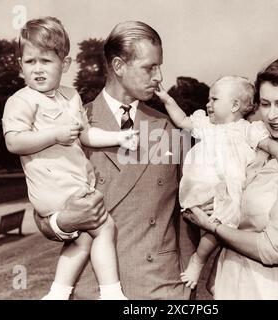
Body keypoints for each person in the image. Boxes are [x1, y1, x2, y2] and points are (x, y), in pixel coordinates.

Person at [33, 21, 199, 299]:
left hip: (161, 287)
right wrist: (63, 221)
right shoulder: (71, 126)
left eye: (159, 66)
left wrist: (185, 285)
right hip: (93, 287)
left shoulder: (170, 128)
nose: (158, 76)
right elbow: (43, 205)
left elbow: (186, 213)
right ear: (119, 66)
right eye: (150, 67)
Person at [2, 17, 139, 300]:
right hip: (54, 188)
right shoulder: (21, 100)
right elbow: (14, 141)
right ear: (20, 66)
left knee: (85, 239)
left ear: (64, 65)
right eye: (30, 62)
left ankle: (57, 294)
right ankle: (112, 293)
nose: (37, 69)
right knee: (105, 227)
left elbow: (85, 135)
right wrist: (54, 135)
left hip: (74, 185)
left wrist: (118, 137)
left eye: (46, 61)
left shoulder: (70, 96)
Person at [182, 57, 278, 299]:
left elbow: (272, 249)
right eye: (265, 104)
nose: (272, 115)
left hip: (266, 288)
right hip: (228, 282)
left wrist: (211, 225)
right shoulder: (259, 150)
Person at [155, 76, 278, 289]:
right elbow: (182, 120)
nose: (207, 104)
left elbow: (268, 145)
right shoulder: (205, 125)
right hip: (200, 185)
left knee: (221, 225)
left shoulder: (247, 130)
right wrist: (166, 99)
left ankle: (199, 261)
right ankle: (211, 268)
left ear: (235, 105)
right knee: (198, 218)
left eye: (214, 99)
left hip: (228, 189)